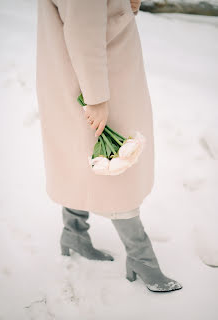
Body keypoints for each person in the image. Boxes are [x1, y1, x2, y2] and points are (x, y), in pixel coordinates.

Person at [36, 0, 183, 292]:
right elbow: (82, 30)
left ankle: (74, 233)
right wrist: (97, 97)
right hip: (99, 85)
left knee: (79, 159)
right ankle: (143, 259)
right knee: (119, 168)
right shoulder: (97, 94)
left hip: (74, 76)